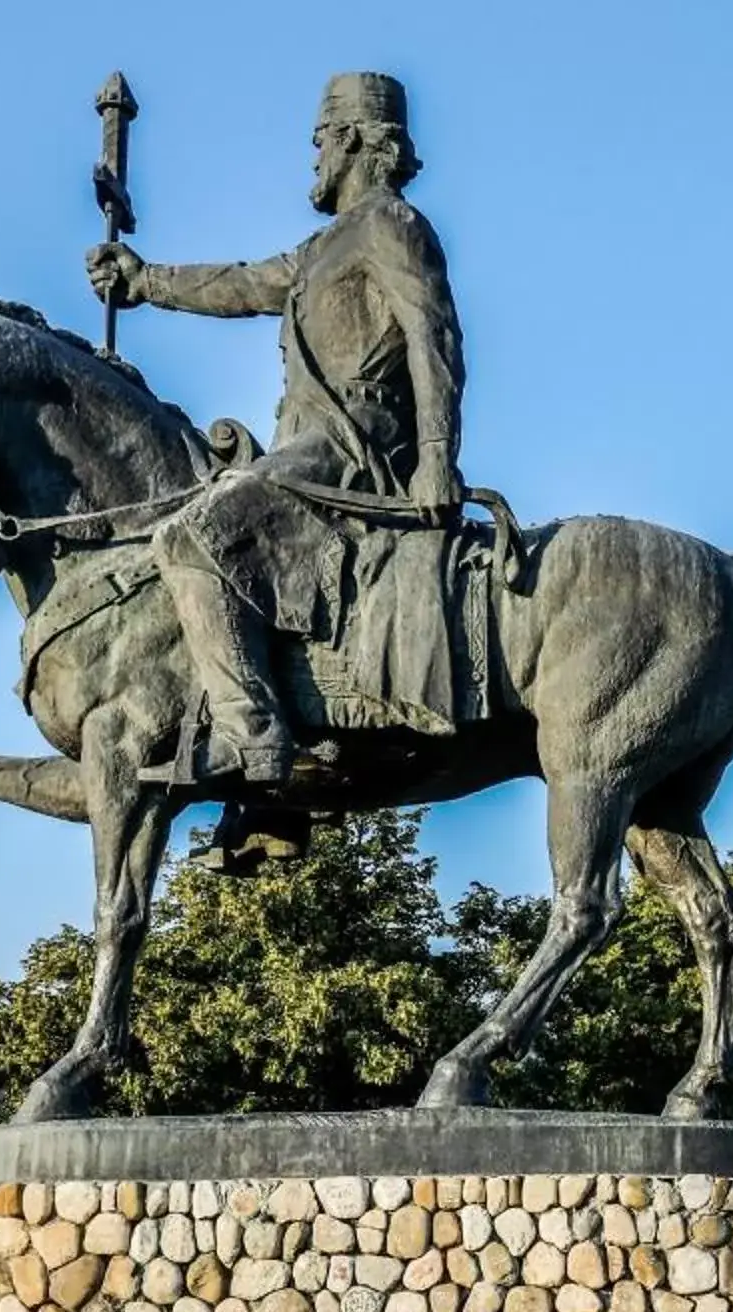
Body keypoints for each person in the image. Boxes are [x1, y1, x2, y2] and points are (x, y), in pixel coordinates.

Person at [86, 71, 464, 785]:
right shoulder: (326, 247)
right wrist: (143, 281)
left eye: (321, 141)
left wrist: (437, 454)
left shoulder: (390, 225)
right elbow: (243, 283)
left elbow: (433, 337)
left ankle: (252, 736)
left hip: (356, 445)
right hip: (309, 441)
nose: (316, 157)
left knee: (191, 533)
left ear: (351, 138)